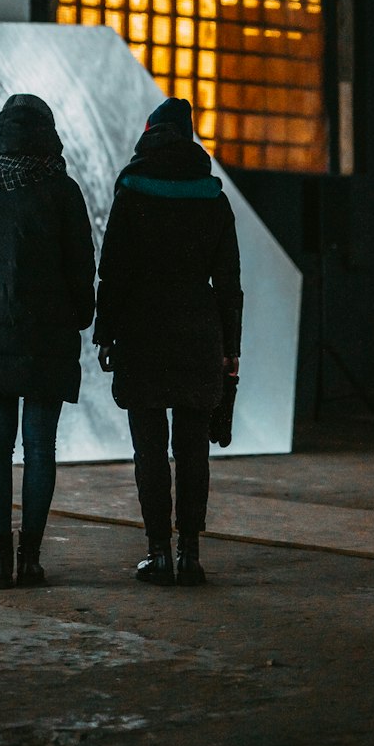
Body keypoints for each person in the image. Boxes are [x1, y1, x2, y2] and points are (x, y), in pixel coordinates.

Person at [94, 97, 243, 588]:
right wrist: (231, 349)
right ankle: (191, 554)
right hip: (199, 331)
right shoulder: (213, 197)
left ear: (150, 132)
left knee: (150, 448)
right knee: (194, 447)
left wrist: (106, 331)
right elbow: (228, 282)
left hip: (142, 330)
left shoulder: (132, 191)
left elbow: (113, 270)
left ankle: (157, 553)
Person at [0, 94, 96, 589]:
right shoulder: (61, 189)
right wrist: (81, 317)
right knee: (40, 447)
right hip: (47, 336)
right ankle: (30, 558)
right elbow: (82, 267)